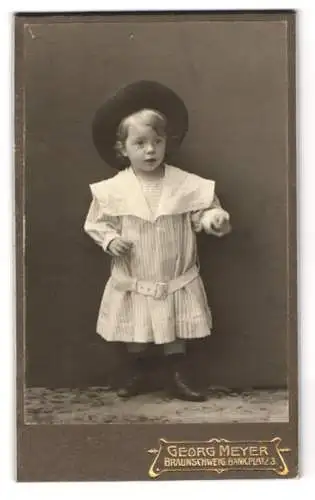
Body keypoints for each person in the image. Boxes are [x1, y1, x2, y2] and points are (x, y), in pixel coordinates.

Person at [84, 80, 231, 402]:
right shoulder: (113, 189)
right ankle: (137, 371)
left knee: (175, 330)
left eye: (157, 142)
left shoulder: (186, 184)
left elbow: (202, 212)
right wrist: (110, 240)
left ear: (167, 143)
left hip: (175, 277)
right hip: (136, 276)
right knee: (136, 330)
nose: (150, 150)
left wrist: (213, 220)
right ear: (123, 149)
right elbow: (97, 222)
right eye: (140, 143)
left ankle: (178, 376)